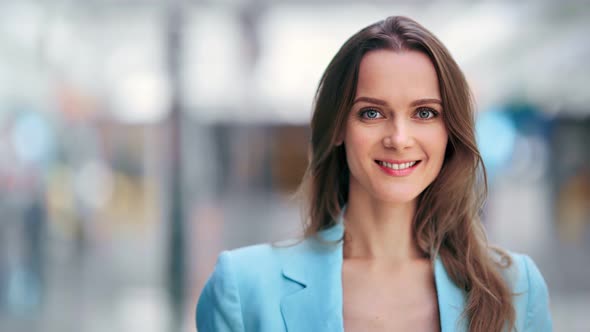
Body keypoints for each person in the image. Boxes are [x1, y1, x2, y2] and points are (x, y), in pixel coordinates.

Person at [196, 16, 552, 332]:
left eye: (425, 113)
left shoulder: (515, 287)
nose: (399, 138)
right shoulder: (243, 289)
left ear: (450, 132)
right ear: (337, 128)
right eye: (371, 113)